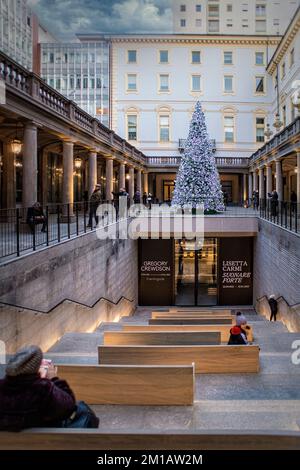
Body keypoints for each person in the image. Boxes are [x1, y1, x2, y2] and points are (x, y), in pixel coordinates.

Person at [0, 345, 99, 431]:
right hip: (41, 440)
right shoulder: (43, 389)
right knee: (83, 410)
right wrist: (54, 378)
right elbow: (69, 407)